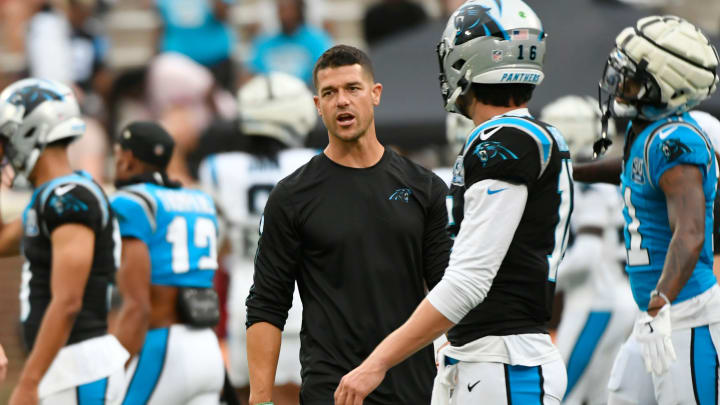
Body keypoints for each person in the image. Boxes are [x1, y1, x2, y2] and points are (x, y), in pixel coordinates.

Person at [335, 1, 572, 403]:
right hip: (490, 357)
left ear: (466, 60)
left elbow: (469, 280)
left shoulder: (504, 141)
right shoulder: (528, 134)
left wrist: (377, 361)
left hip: (504, 363)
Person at [245, 44, 451, 405]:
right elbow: (266, 303)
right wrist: (260, 398)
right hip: (332, 392)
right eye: (330, 92)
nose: (342, 101)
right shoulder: (291, 196)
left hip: (414, 389)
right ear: (317, 106)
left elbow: (449, 292)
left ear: (375, 94)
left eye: (352, 89)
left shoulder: (424, 187)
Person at [573, 15, 720, 404]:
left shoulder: (676, 142)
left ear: (667, 85)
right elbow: (631, 172)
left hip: (685, 314)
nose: (620, 82)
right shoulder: (650, 132)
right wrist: (568, 170)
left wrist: (660, 304)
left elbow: (689, 236)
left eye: (632, 75)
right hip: (654, 313)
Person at [0, 78, 128, 404]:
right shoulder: (54, 196)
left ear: (30, 131)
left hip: (77, 365)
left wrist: (28, 382)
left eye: (6, 138)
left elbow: (68, 301)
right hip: (67, 367)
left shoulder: (67, 197)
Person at [198, 71, 318, 405]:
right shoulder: (312, 163)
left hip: (244, 298)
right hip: (302, 300)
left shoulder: (219, 168)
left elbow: (216, 241)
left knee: (248, 394)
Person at [110, 121, 225, 404]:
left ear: (127, 158)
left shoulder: (131, 202)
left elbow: (137, 307)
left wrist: (108, 371)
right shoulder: (201, 200)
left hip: (163, 347)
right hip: (207, 349)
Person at [540, 95, 636, 405]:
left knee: (558, 396)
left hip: (596, 301)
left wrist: (541, 279)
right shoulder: (594, 175)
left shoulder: (585, 183)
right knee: (597, 399)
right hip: (609, 298)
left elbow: (587, 256)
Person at [247, 0, 333, 85]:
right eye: (282, 10)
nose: (286, 15)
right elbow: (252, 72)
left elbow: (324, 73)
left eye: (290, 10)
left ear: (300, 11)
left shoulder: (316, 40)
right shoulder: (265, 41)